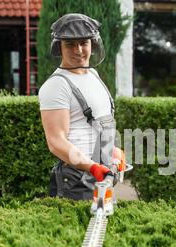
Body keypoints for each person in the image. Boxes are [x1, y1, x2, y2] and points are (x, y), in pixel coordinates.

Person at [39, 13, 117, 201]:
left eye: (84, 43)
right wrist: (92, 167)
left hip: (103, 176)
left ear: (93, 44)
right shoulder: (57, 85)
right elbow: (56, 142)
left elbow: (96, 126)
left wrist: (113, 151)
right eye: (70, 44)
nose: (79, 50)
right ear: (59, 47)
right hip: (75, 182)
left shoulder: (93, 76)